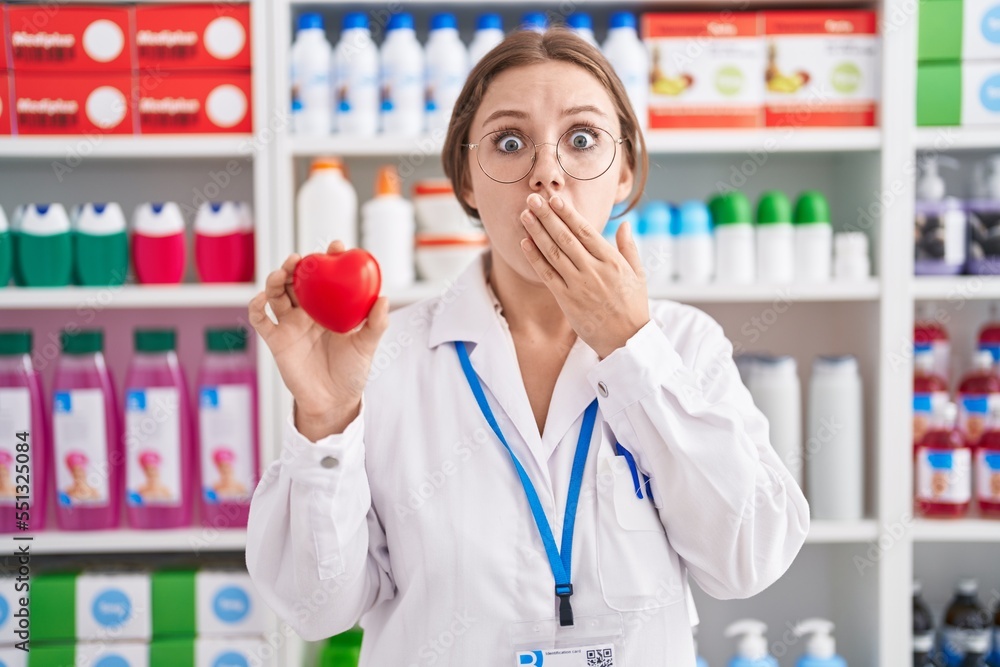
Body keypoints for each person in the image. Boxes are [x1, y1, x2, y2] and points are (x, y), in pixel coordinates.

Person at [246, 27, 809, 665]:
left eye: (582, 138)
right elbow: (316, 608)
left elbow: (749, 559)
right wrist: (324, 421)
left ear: (623, 172)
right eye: (510, 143)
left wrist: (632, 349)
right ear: (465, 181)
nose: (546, 173)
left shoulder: (684, 344)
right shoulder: (383, 358)